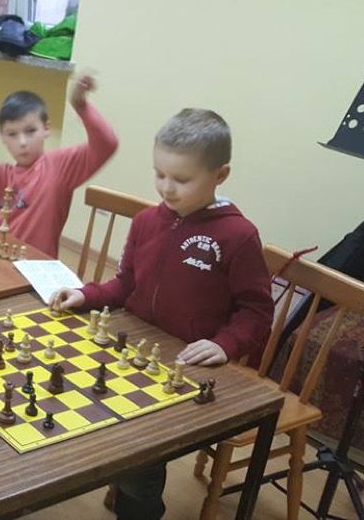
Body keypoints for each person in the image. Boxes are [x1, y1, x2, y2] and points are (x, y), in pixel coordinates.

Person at [51, 108, 274, 520]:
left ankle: (138, 507)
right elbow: (126, 284)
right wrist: (85, 295)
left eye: (181, 179)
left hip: (186, 366)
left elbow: (257, 311)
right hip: (131, 348)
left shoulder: (238, 236)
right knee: (81, 404)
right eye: (159, 174)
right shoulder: (146, 221)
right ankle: (118, 479)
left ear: (220, 175)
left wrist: (226, 343)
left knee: (142, 458)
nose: (166, 188)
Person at [0, 74, 118, 258]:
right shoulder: (1, 175)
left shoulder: (59, 167)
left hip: (37, 268)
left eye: (30, 131)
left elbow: (107, 143)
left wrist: (81, 105)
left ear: (46, 128)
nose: (22, 142)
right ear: (3, 137)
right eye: (12, 134)